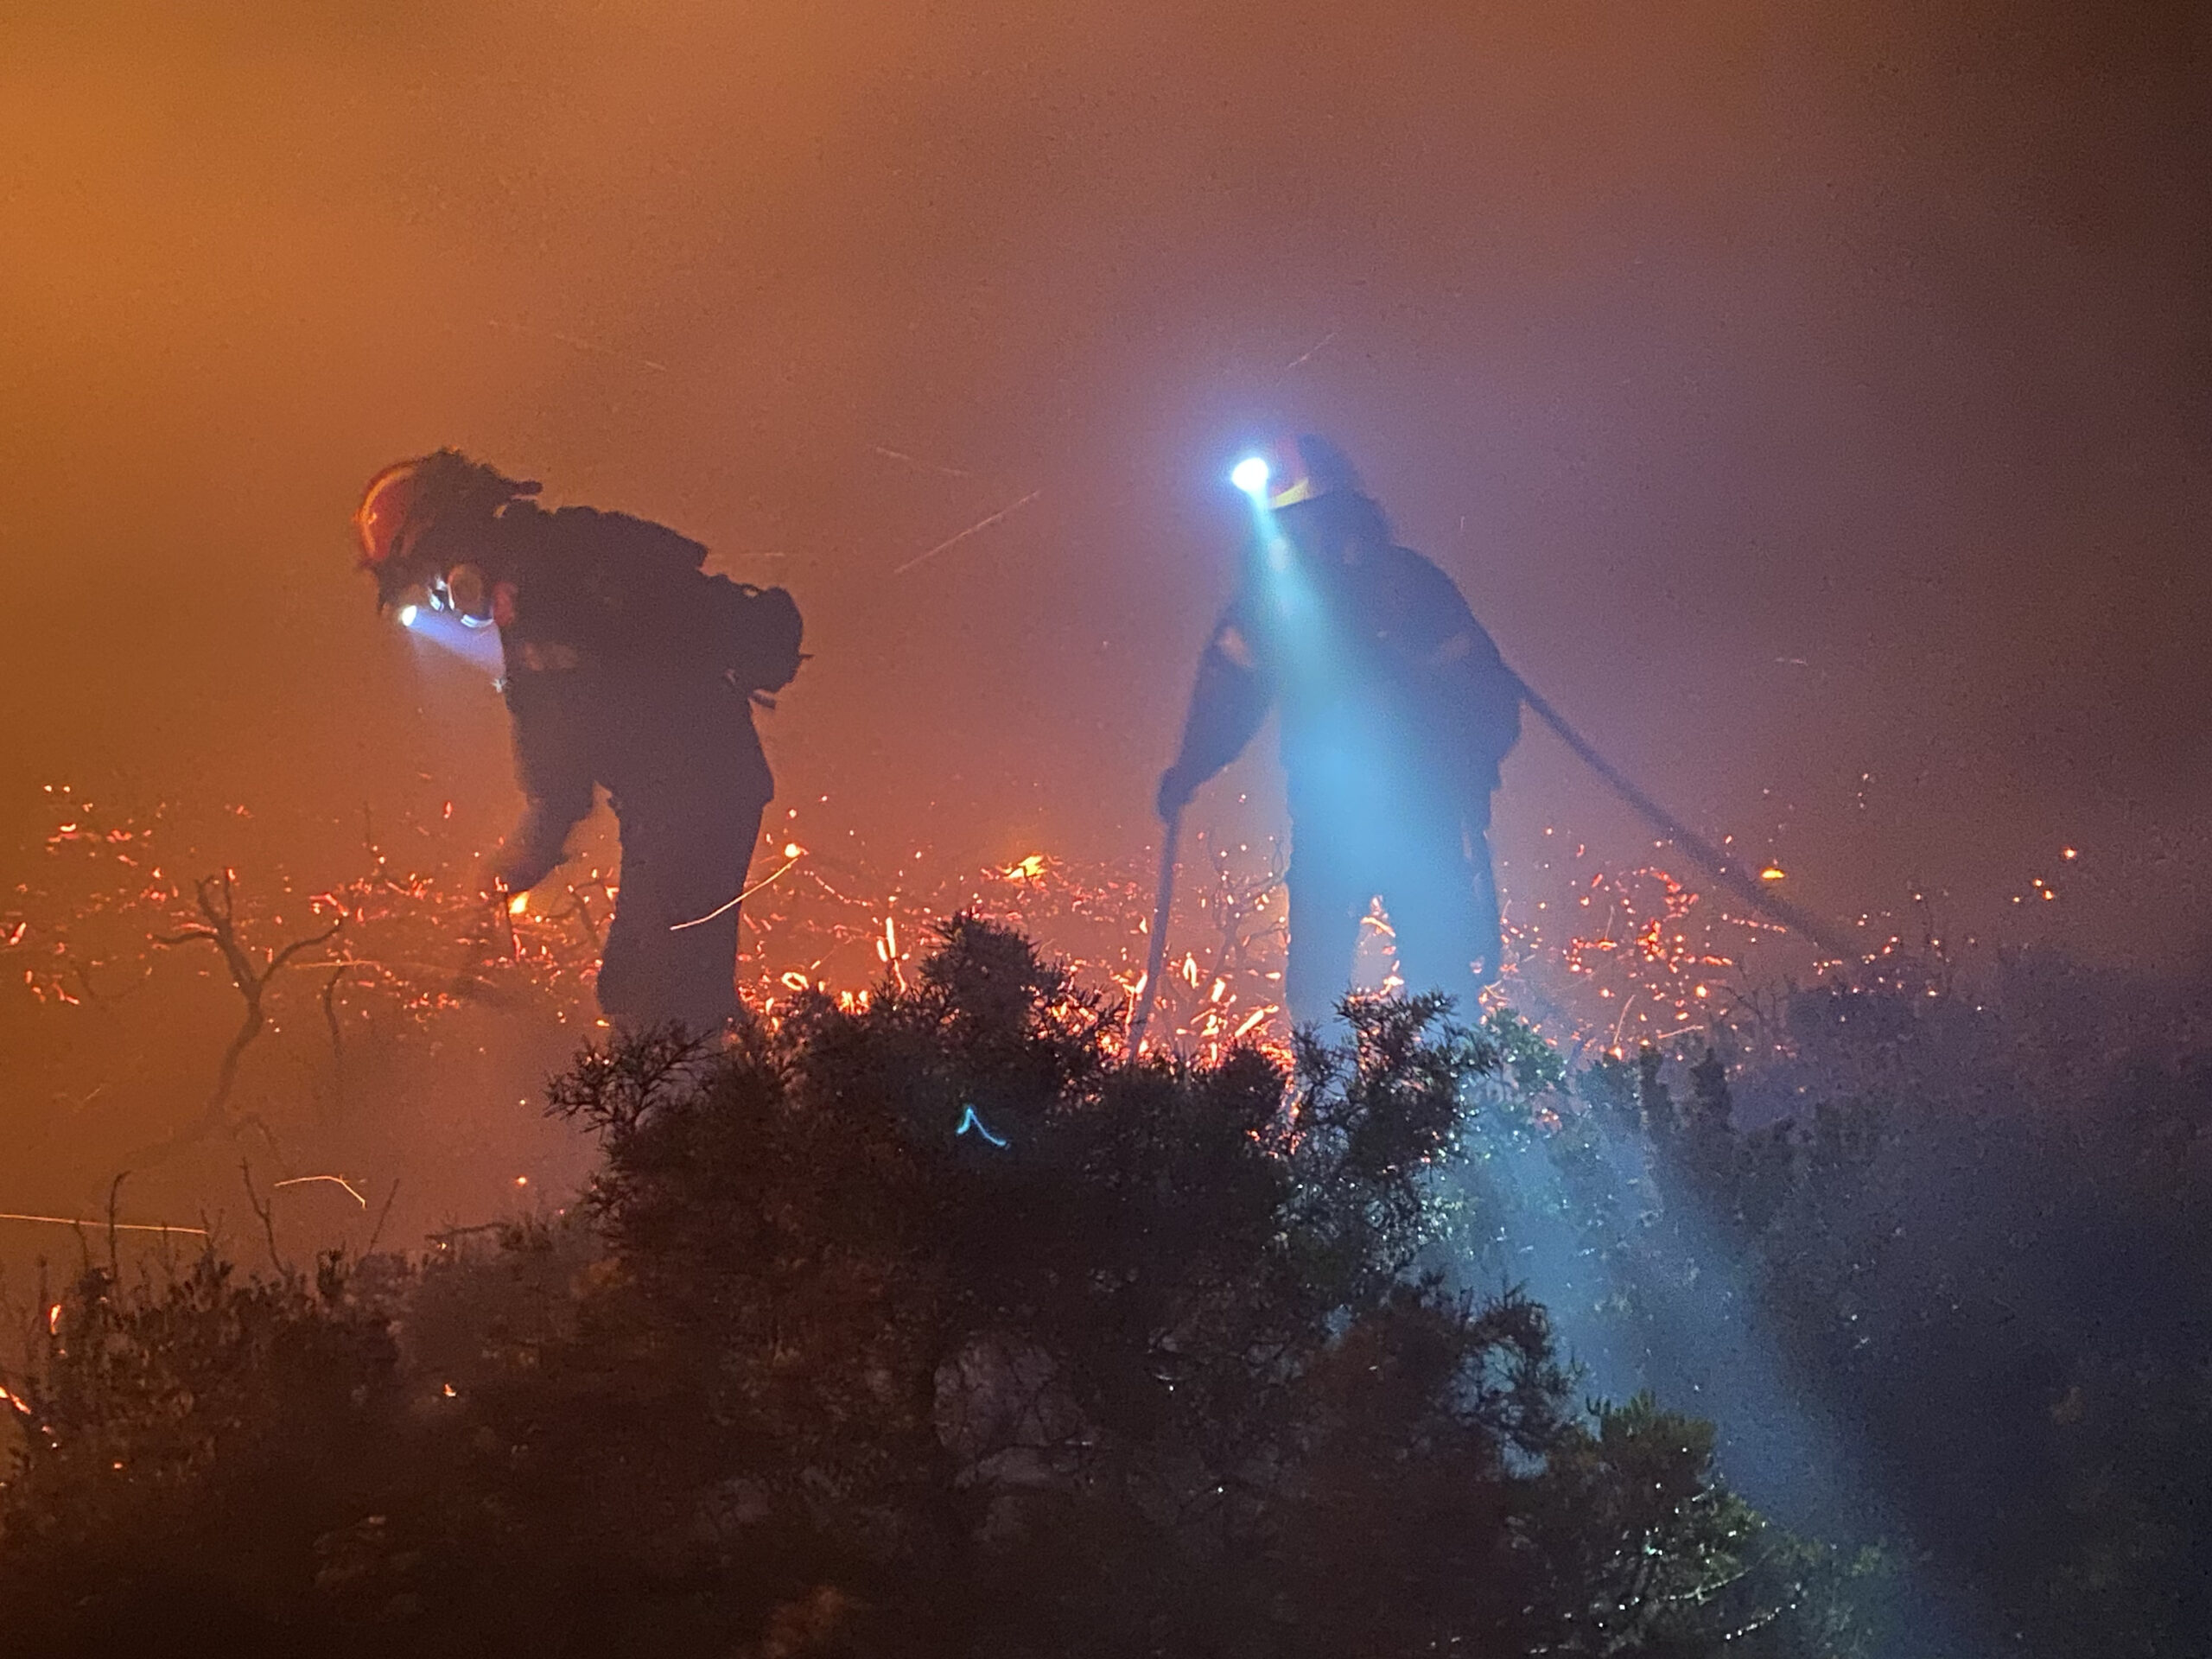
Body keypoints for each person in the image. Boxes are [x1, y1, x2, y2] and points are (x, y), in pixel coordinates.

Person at [354, 450, 802, 1033]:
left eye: (430, 581)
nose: (440, 599)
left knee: (658, 1005)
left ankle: (726, 1111)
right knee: (640, 989)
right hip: (676, 800)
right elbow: (562, 748)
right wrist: (531, 847)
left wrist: (534, 841)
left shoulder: (550, 581)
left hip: (697, 799)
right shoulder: (535, 593)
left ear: (446, 543)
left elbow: (566, 745)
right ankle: (732, 1101)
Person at [1156, 433, 1521, 1028]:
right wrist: (1191, 769)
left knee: (1438, 987)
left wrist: (1467, 772)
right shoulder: (1271, 605)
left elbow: (1486, 691)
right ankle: (1335, 1117)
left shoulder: (1406, 591)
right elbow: (1229, 697)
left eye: (1307, 523)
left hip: (1418, 816)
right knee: (1320, 993)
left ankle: (1442, 1110)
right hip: (1337, 821)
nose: (1298, 541)